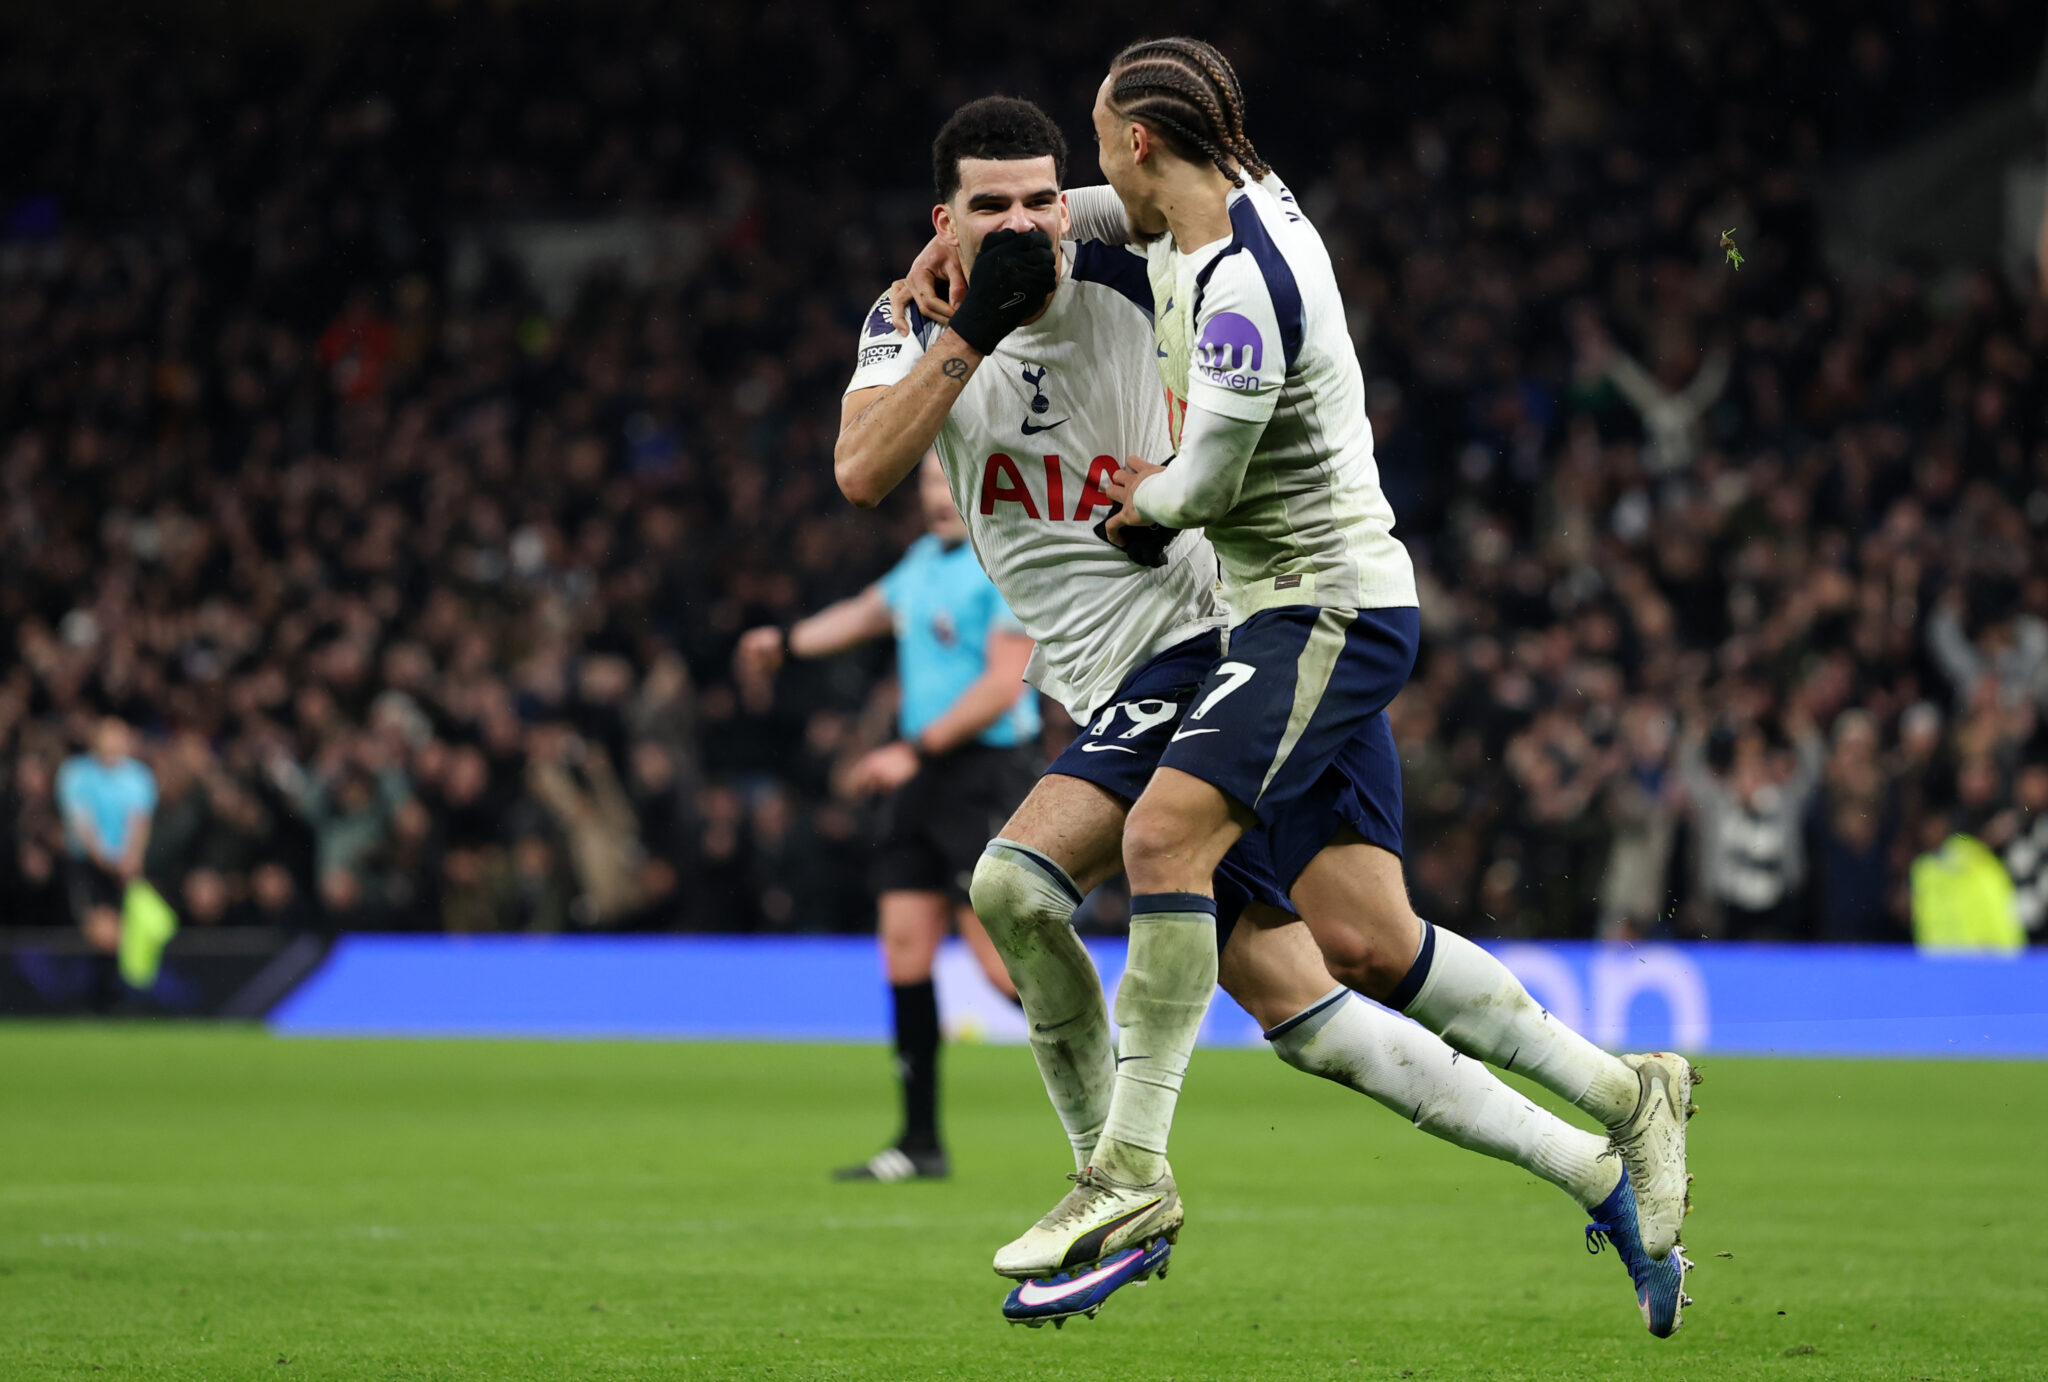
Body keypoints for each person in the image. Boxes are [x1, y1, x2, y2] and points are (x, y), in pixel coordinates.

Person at [856, 93, 1688, 1335]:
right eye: (992, 207)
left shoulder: (1132, 262)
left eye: (1043, 196)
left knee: (1017, 884)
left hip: (1222, 638)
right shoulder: (911, 321)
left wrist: (1049, 243)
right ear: (944, 221)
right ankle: (1609, 1125)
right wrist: (965, 324)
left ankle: (1117, 1180)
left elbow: (1187, 191)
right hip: (1171, 673)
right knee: (1343, 961)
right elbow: (864, 469)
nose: (1026, 223)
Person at [737, 454, 1038, 1182]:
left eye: (949, 484)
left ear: (975, 491)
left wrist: (914, 749)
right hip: (922, 776)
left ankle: (1123, 1082)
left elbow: (1004, 687)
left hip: (983, 775)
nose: (938, 496)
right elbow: (866, 613)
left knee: (1000, 965)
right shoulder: (921, 565)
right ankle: (920, 1143)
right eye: (929, 485)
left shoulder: (1005, 568)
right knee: (903, 947)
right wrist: (786, 642)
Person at [55, 718, 158, 957]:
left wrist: (131, 859)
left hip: (125, 867)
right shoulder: (75, 773)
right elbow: (82, 824)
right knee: (98, 931)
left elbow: (139, 823)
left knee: (126, 934)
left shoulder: (139, 777)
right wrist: (106, 860)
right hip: (87, 866)